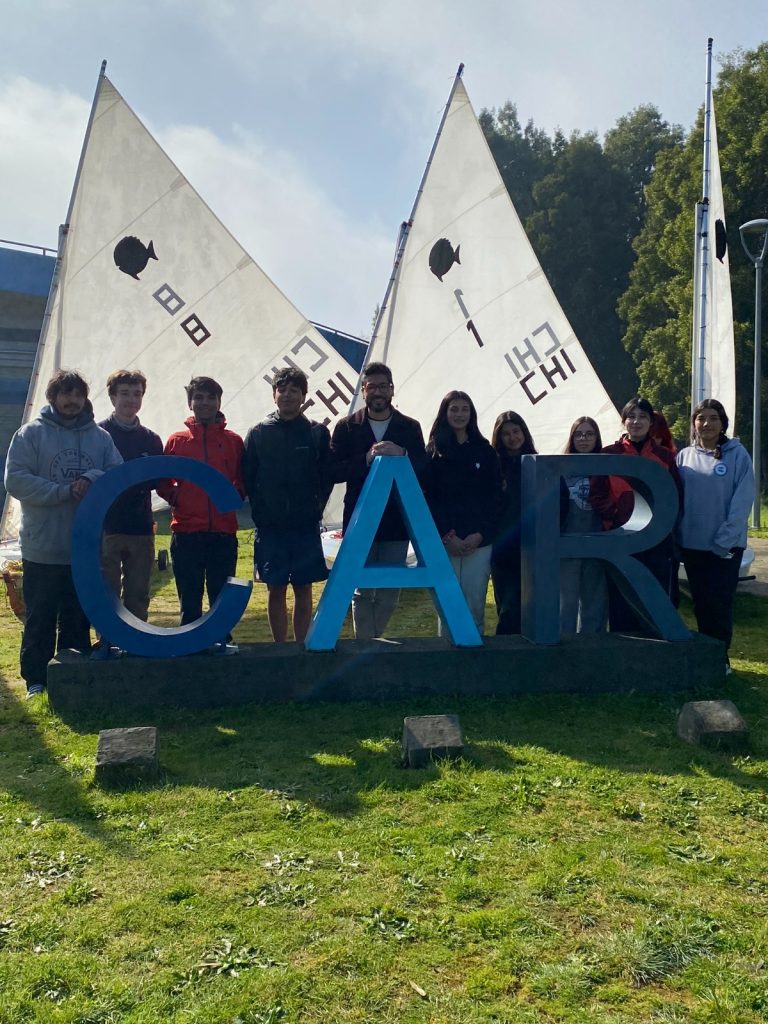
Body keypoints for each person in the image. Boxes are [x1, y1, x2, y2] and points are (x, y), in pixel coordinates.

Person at [3, 370, 122, 696]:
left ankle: (73, 674)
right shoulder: (29, 435)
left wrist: (93, 477)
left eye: (77, 395)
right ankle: (37, 680)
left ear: (85, 399)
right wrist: (63, 491)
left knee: (78, 615)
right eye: (65, 394)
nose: (72, 401)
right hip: (43, 545)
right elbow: (15, 480)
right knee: (40, 616)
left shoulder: (100, 438)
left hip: (83, 547)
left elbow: (117, 471)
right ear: (53, 398)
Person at [329, 362, 427, 640]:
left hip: (396, 520)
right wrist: (366, 460)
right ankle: (365, 646)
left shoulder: (409, 427)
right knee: (360, 589)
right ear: (363, 390)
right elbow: (333, 471)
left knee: (389, 592)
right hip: (360, 520)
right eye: (372, 386)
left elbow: (424, 467)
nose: (378, 392)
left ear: (392, 389)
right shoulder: (347, 427)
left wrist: (403, 453)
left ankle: (371, 641)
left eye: (384, 386)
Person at [243, 367, 331, 643]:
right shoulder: (258, 432)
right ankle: (279, 646)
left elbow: (325, 477)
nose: (288, 395)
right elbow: (248, 476)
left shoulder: (317, 433)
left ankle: (301, 646)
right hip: (271, 527)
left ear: (304, 396)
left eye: (294, 390)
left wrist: (316, 508)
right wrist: (261, 511)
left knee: (303, 587)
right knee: (275, 587)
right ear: (274, 394)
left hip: (305, 525)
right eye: (283, 389)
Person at [157, 377, 244, 652]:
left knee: (221, 594)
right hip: (186, 531)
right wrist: (177, 498)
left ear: (219, 402)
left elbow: (242, 479)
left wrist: (232, 499)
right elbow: (162, 480)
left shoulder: (233, 441)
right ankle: (188, 646)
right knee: (190, 596)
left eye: (210, 397)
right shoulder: (177, 441)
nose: (204, 403)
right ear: (190, 403)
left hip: (222, 531)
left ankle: (221, 642)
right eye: (199, 397)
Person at [591, 396, 683, 635]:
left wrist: (663, 525)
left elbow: (675, 495)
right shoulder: (609, 453)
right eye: (631, 416)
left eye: (643, 417)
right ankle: (623, 650)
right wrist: (616, 516)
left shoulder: (665, 456)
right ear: (624, 421)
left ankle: (656, 650)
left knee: (656, 596)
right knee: (622, 598)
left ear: (651, 422)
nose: (636, 421)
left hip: (656, 539)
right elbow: (597, 493)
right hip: (621, 538)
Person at [676, 399, 754, 673]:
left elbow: (742, 501)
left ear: (723, 424)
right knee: (701, 604)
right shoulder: (684, 456)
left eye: (713, 418)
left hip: (725, 548)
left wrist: (724, 541)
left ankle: (721, 659)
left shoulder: (738, 454)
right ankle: (706, 657)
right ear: (694, 423)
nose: (706, 424)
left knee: (719, 605)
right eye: (701, 418)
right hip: (693, 546)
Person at [424, 391, 501, 634]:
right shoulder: (433, 453)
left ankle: (473, 662)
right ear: (445, 413)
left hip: (478, 542)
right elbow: (429, 499)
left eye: (464, 409)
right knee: (447, 608)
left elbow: (494, 498)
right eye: (454, 409)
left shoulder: (485, 451)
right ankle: (445, 663)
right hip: (444, 543)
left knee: (474, 605)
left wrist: (479, 534)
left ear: (472, 414)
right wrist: (447, 537)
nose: (459, 414)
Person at [97, 369, 163, 625]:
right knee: (107, 591)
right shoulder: (98, 435)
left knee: (138, 593)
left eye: (137, 394)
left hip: (140, 527)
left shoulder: (151, 439)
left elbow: (156, 480)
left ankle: (136, 646)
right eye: (124, 393)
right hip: (106, 527)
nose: (131, 400)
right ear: (112, 397)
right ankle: (107, 643)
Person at [490, 411, 537, 634]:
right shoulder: (493, 468)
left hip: (533, 547)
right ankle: (506, 655)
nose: (512, 437)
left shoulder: (541, 464)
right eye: (505, 434)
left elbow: (560, 500)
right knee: (507, 607)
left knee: (532, 607)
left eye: (516, 431)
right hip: (503, 550)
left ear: (524, 433)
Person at [559, 416, 608, 634]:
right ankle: (563, 653)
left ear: (597, 437)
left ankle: (591, 651)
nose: (584, 438)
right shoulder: (560, 468)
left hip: (597, 545)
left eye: (589, 434)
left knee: (594, 605)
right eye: (578, 434)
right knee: (564, 605)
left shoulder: (607, 467)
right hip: (567, 545)